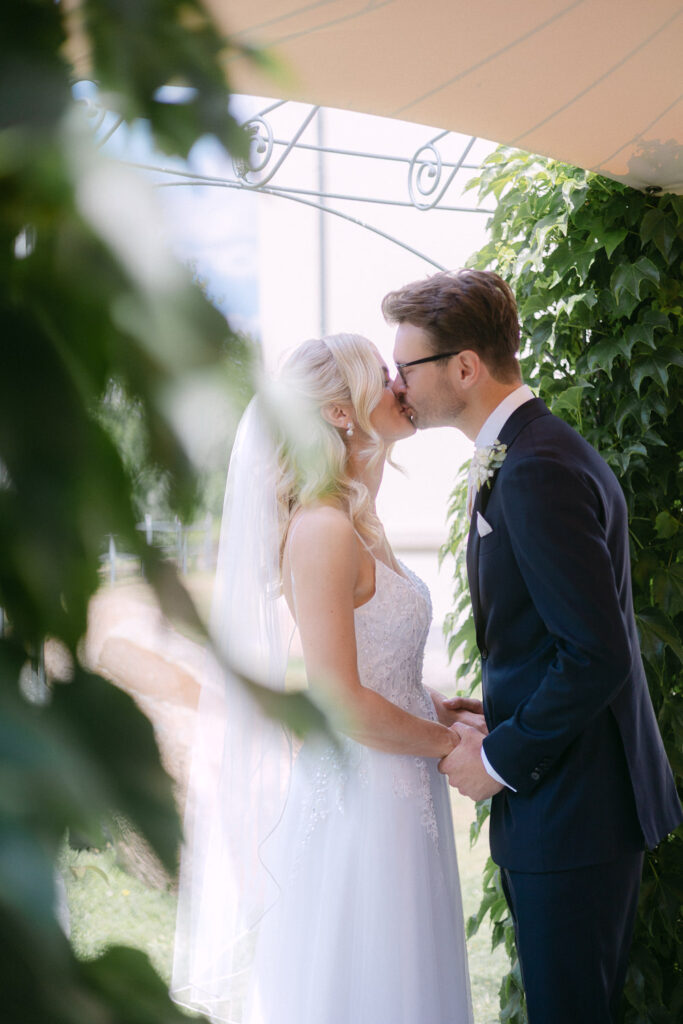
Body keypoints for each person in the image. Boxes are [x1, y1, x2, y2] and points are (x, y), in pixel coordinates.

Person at [382, 269, 683, 1024]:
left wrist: (494, 758)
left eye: (406, 368)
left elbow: (595, 653)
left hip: (573, 811)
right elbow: (561, 636)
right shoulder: (532, 451)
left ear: (462, 366)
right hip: (573, 801)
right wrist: (501, 708)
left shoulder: (536, 467)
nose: (397, 386)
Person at [172, 334, 474, 1024]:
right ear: (341, 413)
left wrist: (436, 707)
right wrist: (449, 746)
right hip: (363, 802)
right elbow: (338, 699)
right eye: (383, 373)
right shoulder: (322, 530)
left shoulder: (360, 521)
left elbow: (373, 664)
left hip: (402, 794)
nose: (402, 383)